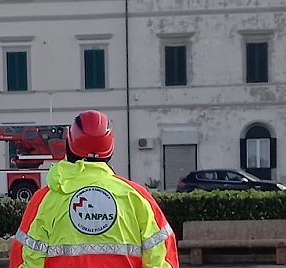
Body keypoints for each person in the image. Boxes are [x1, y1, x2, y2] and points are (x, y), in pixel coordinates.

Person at [10, 110, 179, 268]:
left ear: (69, 144)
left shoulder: (46, 199)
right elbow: (163, 258)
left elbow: (25, 260)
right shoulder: (137, 197)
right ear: (110, 150)